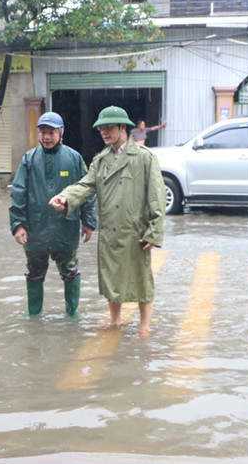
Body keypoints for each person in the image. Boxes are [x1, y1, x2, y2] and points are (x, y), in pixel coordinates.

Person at [49, 106, 166, 338]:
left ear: (123, 128)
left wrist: (154, 231)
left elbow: (157, 196)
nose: (104, 132)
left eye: (109, 128)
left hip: (135, 229)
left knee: (142, 278)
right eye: (101, 128)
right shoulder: (101, 160)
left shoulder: (144, 157)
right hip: (109, 229)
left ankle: (144, 326)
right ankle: (115, 321)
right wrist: (66, 197)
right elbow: (86, 185)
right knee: (111, 276)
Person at [9, 111, 97, 316]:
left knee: (70, 271)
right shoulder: (29, 159)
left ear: (61, 133)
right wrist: (18, 225)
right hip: (35, 228)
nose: (47, 137)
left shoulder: (74, 158)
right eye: (43, 132)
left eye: (52, 132)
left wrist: (88, 222)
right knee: (34, 273)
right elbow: (18, 192)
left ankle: (72, 314)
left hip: (65, 227)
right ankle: (34, 315)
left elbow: (86, 191)